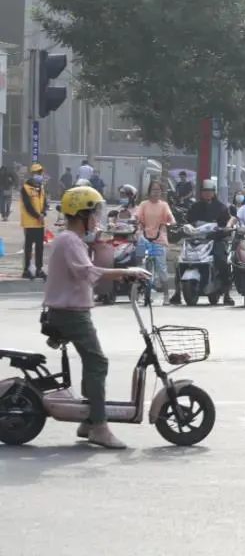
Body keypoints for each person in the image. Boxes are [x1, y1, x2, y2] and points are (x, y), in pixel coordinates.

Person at [41, 186, 151, 449]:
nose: (98, 218)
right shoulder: (69, 240)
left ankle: (89, 420)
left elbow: (92, 268)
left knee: (94, 361)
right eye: (95, 213)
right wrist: (128, 270)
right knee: (98, 362)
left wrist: (109, 257)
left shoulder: (73, 240)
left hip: (70, 311)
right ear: (82, 214)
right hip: (70, 314)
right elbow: (86, 272)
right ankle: (99, 426)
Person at [169, 179, 235, 306]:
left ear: (214, 192)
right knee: (180, 262)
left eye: (209, 191)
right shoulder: (195, 207)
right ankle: (177, 292)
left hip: (214, 240)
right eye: (204, 191)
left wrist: (224, 229)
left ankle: (226, 294)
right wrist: (183, 227)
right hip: (195, 240)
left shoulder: (221, 207)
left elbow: (227, 224)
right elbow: (188, 221)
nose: (207, 193)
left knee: (222, 260)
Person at [135, 180, 176, 305]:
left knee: (162, 269)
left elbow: (171, 219)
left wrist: (167, 224)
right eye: (153, 190)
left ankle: (166, 295)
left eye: (158, 190)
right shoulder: (143, 204)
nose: (156, 192)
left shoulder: (164, 205)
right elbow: (138, 218)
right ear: (149, 191)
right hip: (145, 238)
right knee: (141, 267)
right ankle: (138, 294)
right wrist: (137, 224)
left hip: (159, 239)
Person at [21, 163, 48, 280]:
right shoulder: (25, 188)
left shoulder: (41, 187)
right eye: (37, 173)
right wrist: (38, 216)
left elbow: (44, 203)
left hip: (39, 222)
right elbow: (27, 205)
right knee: (28, 246)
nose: (39, 175)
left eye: (40, 173)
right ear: (32, 174)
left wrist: (44, 212)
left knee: (39, 247)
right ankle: (26, 269)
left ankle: (39, 269)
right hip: (30, 222)